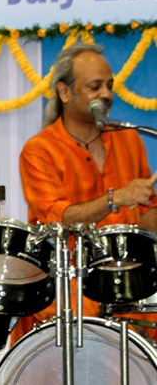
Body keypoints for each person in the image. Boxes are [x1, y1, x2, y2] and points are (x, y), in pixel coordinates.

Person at [12, 41, 157, 345]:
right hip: (68, 283)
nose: (106, 94)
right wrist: (115, 199)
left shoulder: (130, 140)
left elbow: (147, 212)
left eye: (109, 86)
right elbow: (58, 219)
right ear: (65, 92)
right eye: (95, 87)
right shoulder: (39, 150)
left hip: (131, 280)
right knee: (92, 338)